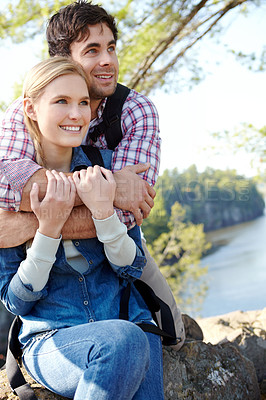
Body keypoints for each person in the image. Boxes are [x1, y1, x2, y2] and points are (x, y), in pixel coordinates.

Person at [0, 1, 202, 345]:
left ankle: (178, 323)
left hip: (110, 241)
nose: (107, 60)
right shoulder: (27, 109)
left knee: (172, 336)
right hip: (41, 253)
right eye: (92, 50)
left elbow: (128, 210)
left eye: (111, 48)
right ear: (63, 59)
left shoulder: (135, 110)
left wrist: (32, 221)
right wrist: (105, 188)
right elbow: (5, 188)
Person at [0, 56, 165, 399]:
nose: (77, 114)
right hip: (51, 339)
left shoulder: (110, 171)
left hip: (130, 322)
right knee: (123, 341)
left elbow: (132, 267)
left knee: (131, 338)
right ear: (30, 109)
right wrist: (47, 231)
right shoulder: (12, 186)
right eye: (62, 101)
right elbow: (15, 301)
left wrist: (104, 214)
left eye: (83, 103)